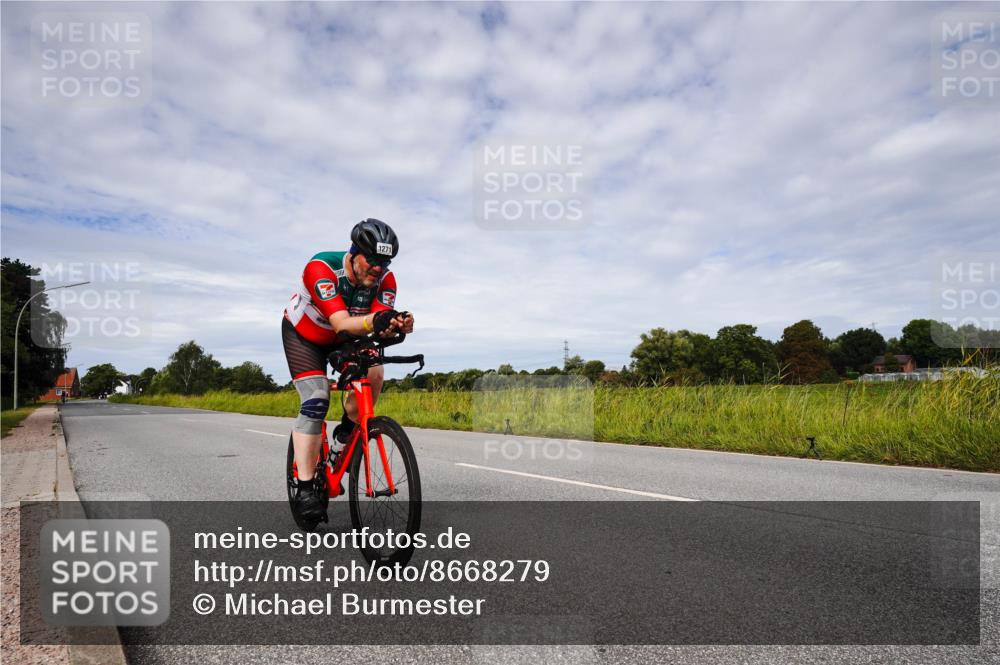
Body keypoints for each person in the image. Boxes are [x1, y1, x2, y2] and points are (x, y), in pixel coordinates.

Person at [282, 218, 414, 524]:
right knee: (316, 398)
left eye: (385, 262)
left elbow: (377, 324)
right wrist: (376, 322)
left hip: (347, 337)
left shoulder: (386, 280)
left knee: (375, 374)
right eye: (372, 261)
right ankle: (304, 488)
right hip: (306, 336)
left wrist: (397, 322)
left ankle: (345, 434)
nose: (378, 269)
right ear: (353, 253)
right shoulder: (321, 269)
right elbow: (341, 322)